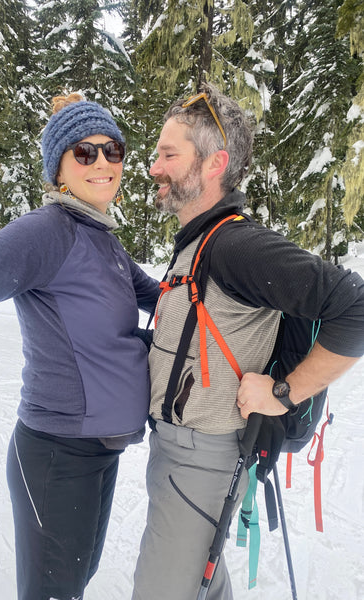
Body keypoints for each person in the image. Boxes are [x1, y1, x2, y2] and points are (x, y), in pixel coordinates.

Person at [0, 93, 160, 600]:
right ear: (59, 169)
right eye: (84, 153)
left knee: (75, 580)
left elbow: (160, 299)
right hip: (58, 454)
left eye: (111, 150)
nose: (102, 163)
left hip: (99, 453)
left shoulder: (102, 239)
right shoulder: (46, 232)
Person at [132, 82, 364, 600]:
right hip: (181, 455)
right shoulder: (200, 240)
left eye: (169, 154)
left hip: (202, 460)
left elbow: (355, 305)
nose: (155, 167)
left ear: (214, 165)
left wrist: (284, 394)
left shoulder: (235, 245)